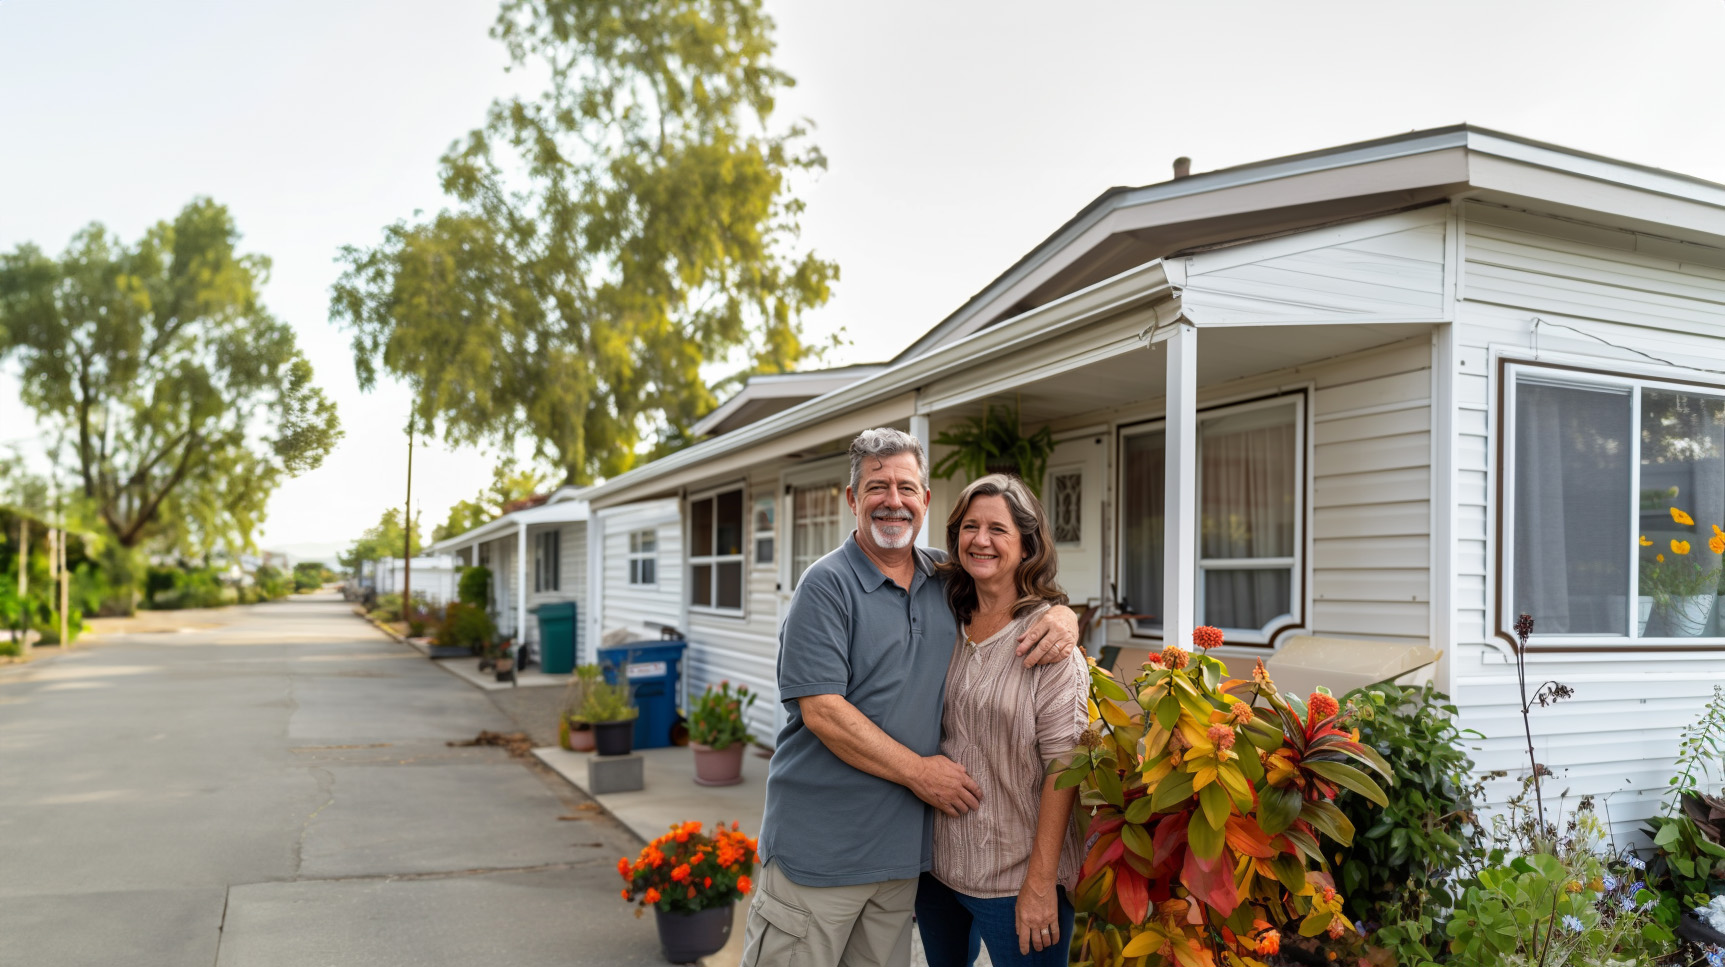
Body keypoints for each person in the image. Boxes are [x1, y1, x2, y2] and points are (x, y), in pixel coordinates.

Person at [741, 428, 1079, 967]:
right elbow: (822, 711)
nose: (892, 501)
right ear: (852, 498)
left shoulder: (944, 581)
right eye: (877, 487)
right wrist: (921, 772)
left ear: (925, 499)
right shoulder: (825, 586)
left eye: (905, 487)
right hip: (821, 853)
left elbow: (1011, 591)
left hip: (902, 864)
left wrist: (1062, 615)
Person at [915, 474, 1087, 966]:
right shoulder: (941, 617)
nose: (981, 540)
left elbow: (1063, 767)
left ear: (1027, 544)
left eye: (998, 529)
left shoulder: (1048, 643)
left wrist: (1041, 881)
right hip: (938, 869)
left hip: (1017, 879)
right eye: (970, 527)